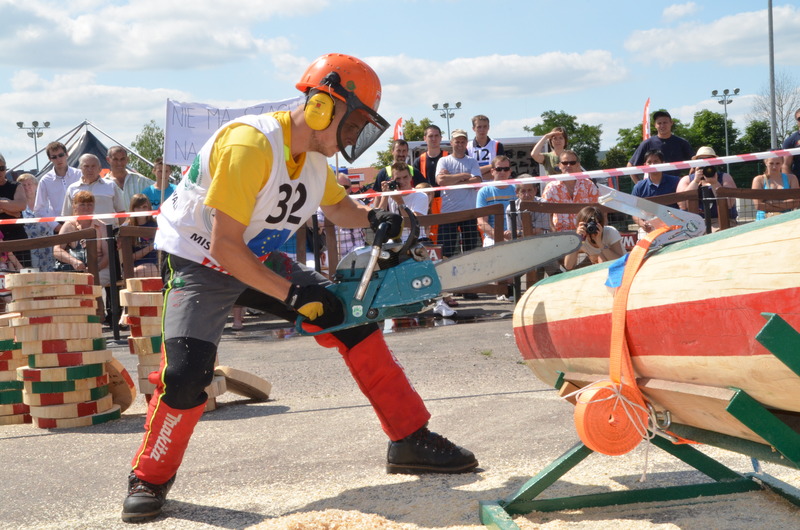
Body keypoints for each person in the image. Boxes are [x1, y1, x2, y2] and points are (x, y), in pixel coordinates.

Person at [121, 53, 477, 524]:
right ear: (323, 107)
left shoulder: (314, 159)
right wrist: (293, 297)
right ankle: (149, 477)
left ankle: (410, 437)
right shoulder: (251, 145)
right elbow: (227, 248)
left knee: (353, 321)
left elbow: (337, 208)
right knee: (187, 374)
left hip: (259, 257)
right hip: (201, 261)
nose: (354, 138)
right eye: (354, 125)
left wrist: (373, 218)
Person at [435, 128, 483, 258]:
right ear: (451, 142)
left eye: (463, 142)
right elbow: (440, 180)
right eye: (457, 141)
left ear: (466, 143)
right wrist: (463, 175)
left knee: (471, 251)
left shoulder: (472, 161)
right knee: (446, 251)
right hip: (449, 212)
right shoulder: (443, 161)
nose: (460, 144)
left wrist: (452, 179)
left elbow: (477, 180)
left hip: (469, 212)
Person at [53, 191, 111, 286]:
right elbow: (57, 250)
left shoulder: (102, 226)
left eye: (89, 204)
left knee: (92, 281)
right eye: (82, 204)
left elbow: (107, 255)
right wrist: (73, 261)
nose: (86, 207)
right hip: (76, 269)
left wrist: (96, 267)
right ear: (74, 206)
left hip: (100, 268)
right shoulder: (68, 225)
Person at [676, 146, 737, 230]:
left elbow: (729, 204)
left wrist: (715, 183)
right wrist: (695, 181)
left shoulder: (724, 177)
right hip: (692, 223)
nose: (705, 163)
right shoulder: (687, 179)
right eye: (700, 160)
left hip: (722, 221)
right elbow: (683, 205)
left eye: (709, 160)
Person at [541, 150, 600, 232]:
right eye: (565, 163)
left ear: (578, 165)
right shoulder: (551, 187)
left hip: (586, 232)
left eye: (572, 163)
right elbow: (545, 214)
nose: (568, 165)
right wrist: (553, 232)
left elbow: (597, 210)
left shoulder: (589, 185)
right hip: (560, 234)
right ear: (559, 165)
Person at [628, 110, 692, 184]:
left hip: (676, 187)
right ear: (655, 125)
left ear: (671, 123)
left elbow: (695, 162)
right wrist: (641, 185)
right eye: (659, 123)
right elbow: (630, 166)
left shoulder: (682, 143)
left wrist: (687, 182)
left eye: (665, 122)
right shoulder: (647, 143)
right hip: (655, 189)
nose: (662, 125)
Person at [631, 150, 680, 237]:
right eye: (649, 162)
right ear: (645, 165)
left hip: (674, 225)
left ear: (663, 163)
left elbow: (683, 206)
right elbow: (633, 211)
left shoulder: (676, 181)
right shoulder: (639, 187)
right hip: (649, 228)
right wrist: (642, 224)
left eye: (656, 161)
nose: (653, 165)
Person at [375, 162, 428, 241]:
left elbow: (412, 223)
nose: (402, 181)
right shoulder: (391, 195)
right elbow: (379, 218)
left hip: (416, 240)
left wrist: (399, 201)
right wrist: (385, 195)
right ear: (392, 180)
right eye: (398, 179)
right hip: (395, 241)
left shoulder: (421, 196)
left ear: (410, 177)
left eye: (405, 177)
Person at [33, 141, 82, 227]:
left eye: (61, 155)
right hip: (59, 223)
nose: (58, 159)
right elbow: (39, 209)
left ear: (67, 154)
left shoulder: (79, 174)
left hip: (81, 221)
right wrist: (54, 226)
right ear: (50, 159)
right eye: (54, 157)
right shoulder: (45, 180)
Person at [16, 173, 56, 271]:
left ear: (36, 185)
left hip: (48, 246)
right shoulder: (18, 206)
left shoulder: (47, 202)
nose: (27, 187)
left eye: (29, 184)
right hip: (28, 248)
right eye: (23, 185)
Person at [563, 206, 625, 270]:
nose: (591, 228)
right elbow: (568, 266)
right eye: (587, 225)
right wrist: (576, 241)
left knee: (601, 258)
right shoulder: (580, 236)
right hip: (598, 269)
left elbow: (621, 262)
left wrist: (600, 244)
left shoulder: (610, 232)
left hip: (619, 269)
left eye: (594, 224)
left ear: (601, 224)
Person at [476, 155, 515, 246]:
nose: (502, 172)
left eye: (506, 169)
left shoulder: (517, 190)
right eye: (499, 169)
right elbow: (482, 222)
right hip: (492, 237)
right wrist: (500, 237)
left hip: (516, 235)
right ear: (492, 171)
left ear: (510, 171)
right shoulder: (484, 192)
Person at [0, 152, 30, 266]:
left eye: (2, 168)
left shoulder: (16, 186)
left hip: (17, 238)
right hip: (0, 238)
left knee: (24, 275)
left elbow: (21, 205)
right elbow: (16, 210)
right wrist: (10, 209)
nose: (0, 172)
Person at [752, 153, 800, 219]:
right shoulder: (758, 180)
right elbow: (758, 205)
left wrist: (770, 202)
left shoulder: (791, 178)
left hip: (786, 218)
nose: (774, 167)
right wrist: (785, 203)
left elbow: (796, 202)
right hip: (764, 219)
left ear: (782, 163)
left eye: (777, 163)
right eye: (771, 163)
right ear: (766, 162)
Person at [123, 194, 159, 277]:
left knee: (141, 271)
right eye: (138, 207)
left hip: (153, 264)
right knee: (135, 272)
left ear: (149, 208)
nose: (141, 210)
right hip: (132, 265)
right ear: (132, 209)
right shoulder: (126, 227)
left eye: (144, 207)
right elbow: (129, 257)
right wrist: (151, 246)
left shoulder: (156, 225)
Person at [467, 115, 505, 179]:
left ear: (488, 127)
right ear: (473, 128)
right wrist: (492, 166)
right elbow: (468, 172)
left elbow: (500, 170)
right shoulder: (467, 147)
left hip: (493, 186)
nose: (482, 130)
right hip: (474, 187)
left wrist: (477, 175)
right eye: (479, 127)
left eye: (485, 126)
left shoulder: (497, 145)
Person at [782, 107, 800, 177]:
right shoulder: (791, 141)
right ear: (797, 121)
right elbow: (785, 165)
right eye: (799, 119)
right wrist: (791, 184)